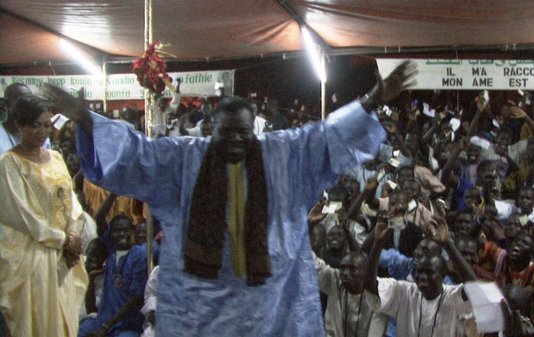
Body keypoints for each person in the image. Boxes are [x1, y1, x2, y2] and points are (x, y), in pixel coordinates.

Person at [45, 61, 417, 336]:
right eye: (227, 133)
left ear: (253, 129)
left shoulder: (281, 154)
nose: (237, 140)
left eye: (244, 132)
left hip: (273, 304)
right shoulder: (185, 159)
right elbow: (135, 154)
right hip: (203, 308)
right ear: (212, 131)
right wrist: (86, 118)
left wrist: (375, 97)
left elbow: (325, 137)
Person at [0, 94, 88, 337]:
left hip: (65, 256)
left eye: (47, 125)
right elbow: (24, 217)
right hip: (33, 257)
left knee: (65, 322)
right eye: (35, 125)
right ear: (20, 125)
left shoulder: (57, 158)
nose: (42, 131)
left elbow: (72, 202)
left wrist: (74, 233)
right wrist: (63, 240)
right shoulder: (10, 164)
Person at [78, 215, 147, 337]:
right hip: (102, 320)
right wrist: (113, 195)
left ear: (132, 231)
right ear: (111, 233)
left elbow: (135, 299)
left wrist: (106, 327)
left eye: (125, 230)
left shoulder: (139, 254)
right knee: (79, 330)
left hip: (126, 325)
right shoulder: (111, 250)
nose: (121, 234)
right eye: (117, 230)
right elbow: (97, 220)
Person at [313, 250, 388, 337]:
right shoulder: (334, 279)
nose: (345, 273)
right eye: (342, 268)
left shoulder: (378, 295)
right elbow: (311, 262)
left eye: (352, 269)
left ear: (365, 273)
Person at [0, 83, 32, 155]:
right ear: (6, 104)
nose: (25, 104)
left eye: (29, 100)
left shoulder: (40, 134)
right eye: (20, 100)